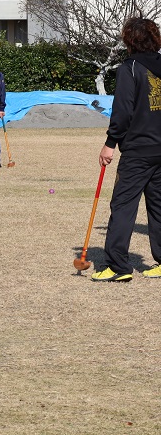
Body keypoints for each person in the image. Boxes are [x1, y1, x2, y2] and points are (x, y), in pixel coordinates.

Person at [92, 17, 161, 282]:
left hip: (138, 151)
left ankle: (118, 266)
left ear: (129, 39)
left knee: (122, 206)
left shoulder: (129, 69)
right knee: (158, 206)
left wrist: (110, 144)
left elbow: (122, 112)